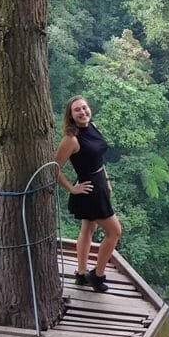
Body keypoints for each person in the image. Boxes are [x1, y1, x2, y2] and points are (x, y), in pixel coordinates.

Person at [54, 95, 122, 293]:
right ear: (70, 116)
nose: (83, 112)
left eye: (84, 108)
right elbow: (54, 167)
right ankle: (97, 275)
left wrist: (107, 180)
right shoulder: (71, 139)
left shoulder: (91, 126)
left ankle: (81, 273)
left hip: (100, 183)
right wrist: (72, 188)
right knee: (115, 232)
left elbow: (98, 158)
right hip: (89, 190)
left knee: (88, 229)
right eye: (77, 110)